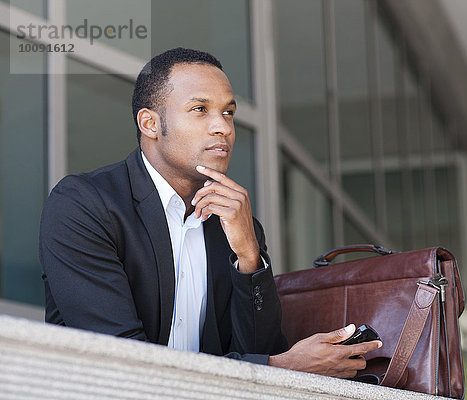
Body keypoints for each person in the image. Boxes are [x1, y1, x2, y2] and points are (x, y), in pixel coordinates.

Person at [40, 48, 381, 378]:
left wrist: (249, 257)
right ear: (150, 124)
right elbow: (123, 360)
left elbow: (259, 347)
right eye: (200, 109)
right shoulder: (85, 206)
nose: (223, 127)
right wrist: (285, 367)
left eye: (229, 112)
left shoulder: (236, 225)